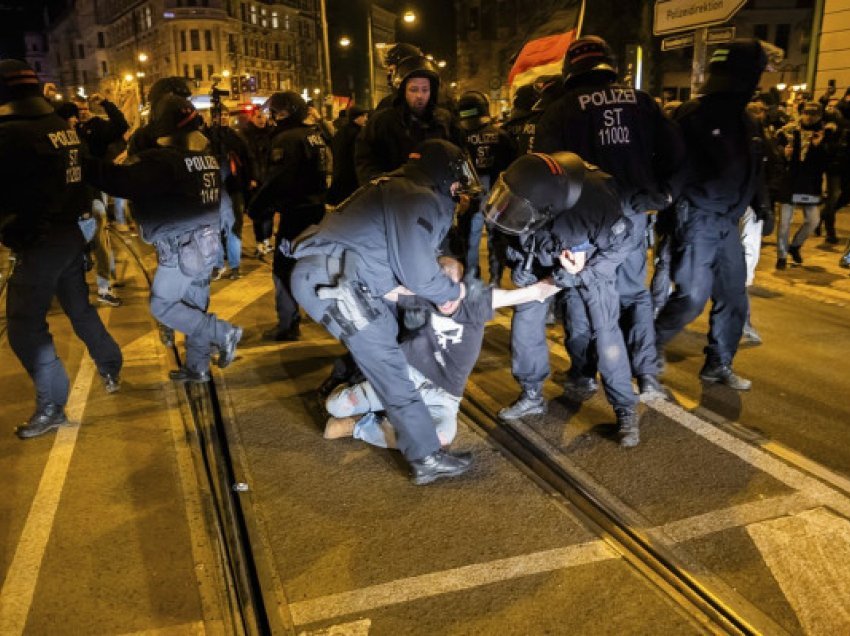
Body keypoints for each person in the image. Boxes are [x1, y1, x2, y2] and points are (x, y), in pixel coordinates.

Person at [290, 139, 481, 485]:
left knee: (385, 348)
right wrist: (451, 293)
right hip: (338, 280)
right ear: (442, 173)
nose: (457, 190)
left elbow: (378, 249)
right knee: (391, 366)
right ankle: (425, 456)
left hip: (336, 275)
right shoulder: (417, 196)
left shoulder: (395, 186)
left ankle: (345, 400)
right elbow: (418, 271)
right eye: (456, 181)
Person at [535, 35, 683, 404]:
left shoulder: (561, 110)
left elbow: (545, 168)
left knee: (581, 294)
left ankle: (584, 373)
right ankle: (645, 373)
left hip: (582, 220)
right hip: (631, 217)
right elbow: (676, 154)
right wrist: (662, 194)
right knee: (634, 295)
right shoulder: (643, 103)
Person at [0, 59, 123, 439]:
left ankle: (52, 406)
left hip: (40, 240)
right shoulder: (59, 127)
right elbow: (80, 179)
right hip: (71, 232)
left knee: (23, 325)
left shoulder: (8, 133)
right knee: (78, 308)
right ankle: (110, 363)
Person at [83, 95, 243, 382]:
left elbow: (121, 181)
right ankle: (198, 367)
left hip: (181, 247)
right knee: (195, 308)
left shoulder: (166, 162)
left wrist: (80, 163)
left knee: (163, 305)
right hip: (206, 245)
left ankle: (224, 333)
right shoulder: (205, 159)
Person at [488, 152, 641, 447]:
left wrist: (575, 276)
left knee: (605, 333)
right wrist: (520, 265)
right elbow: (508, 232)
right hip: (539, 257)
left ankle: (625, 409)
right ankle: (531, 393)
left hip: (591, 263)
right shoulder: (525, 188)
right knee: (525, 323)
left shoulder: (596, 201)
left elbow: (619, 248)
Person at [323, 256, 559, 447]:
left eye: (451, 292)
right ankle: (377, 407)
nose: (444, 301)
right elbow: (377, 288)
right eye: (438, 292)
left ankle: (359, 427)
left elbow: (532, 293)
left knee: (438, 439)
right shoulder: (420, 294)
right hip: (404, 378)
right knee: (335, 406)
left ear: (461, 286)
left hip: (444, 395)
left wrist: (566, 275)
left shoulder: (477, 301)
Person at [654, 40, 769, 391]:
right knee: (691, 296)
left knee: (734, 298)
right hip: (697, 219)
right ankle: (648, 347)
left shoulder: (746, 120)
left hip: (728, 222)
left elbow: (756, 166)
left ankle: (718, 363)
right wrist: (670, 216)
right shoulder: (693, 114)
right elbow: (668, 166)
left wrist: (762, 205)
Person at [248, 91, 330, 341]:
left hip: (295, 214)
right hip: (319, 211)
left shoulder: (287, 139)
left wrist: (256, 207)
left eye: (277, 111)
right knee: (320, 267)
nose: (273, 117)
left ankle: (288, 324)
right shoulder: (316, 135)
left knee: (283, 269)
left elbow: (278, 180)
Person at [55, 93, 129, 306]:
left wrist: (106, 103)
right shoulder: (54, 140)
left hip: (91, 196)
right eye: (74, 114)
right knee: (74, 247)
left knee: (100, 241)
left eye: (83, 110)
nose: (79, 117)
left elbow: (120, 125)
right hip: (69, 204)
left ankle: (104, 286)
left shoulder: (91, 133)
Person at [355, 54, 461, 184]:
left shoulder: (444, 120)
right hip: (397, 196)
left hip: (437, 197)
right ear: (402, 90)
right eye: (413, 90)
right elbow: (366, 161)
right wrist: (380, 183)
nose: (419, 95)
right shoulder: (382, 121)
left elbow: (459, 154)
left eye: (425, 90)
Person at [456, 90, 516, 279]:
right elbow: (513, 166)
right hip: (498, 195)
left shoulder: (460, 137)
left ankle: (472, 282)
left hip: (470, 195)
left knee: (470, 241)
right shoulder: (502, 135)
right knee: (496, 240)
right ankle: (495, 281)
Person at [327, 105, 368, 206]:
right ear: (357, 117)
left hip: (339, 174)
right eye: (364, 116)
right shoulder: (358, 133)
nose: (366, 119)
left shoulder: (341, 131)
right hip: (352, 176)